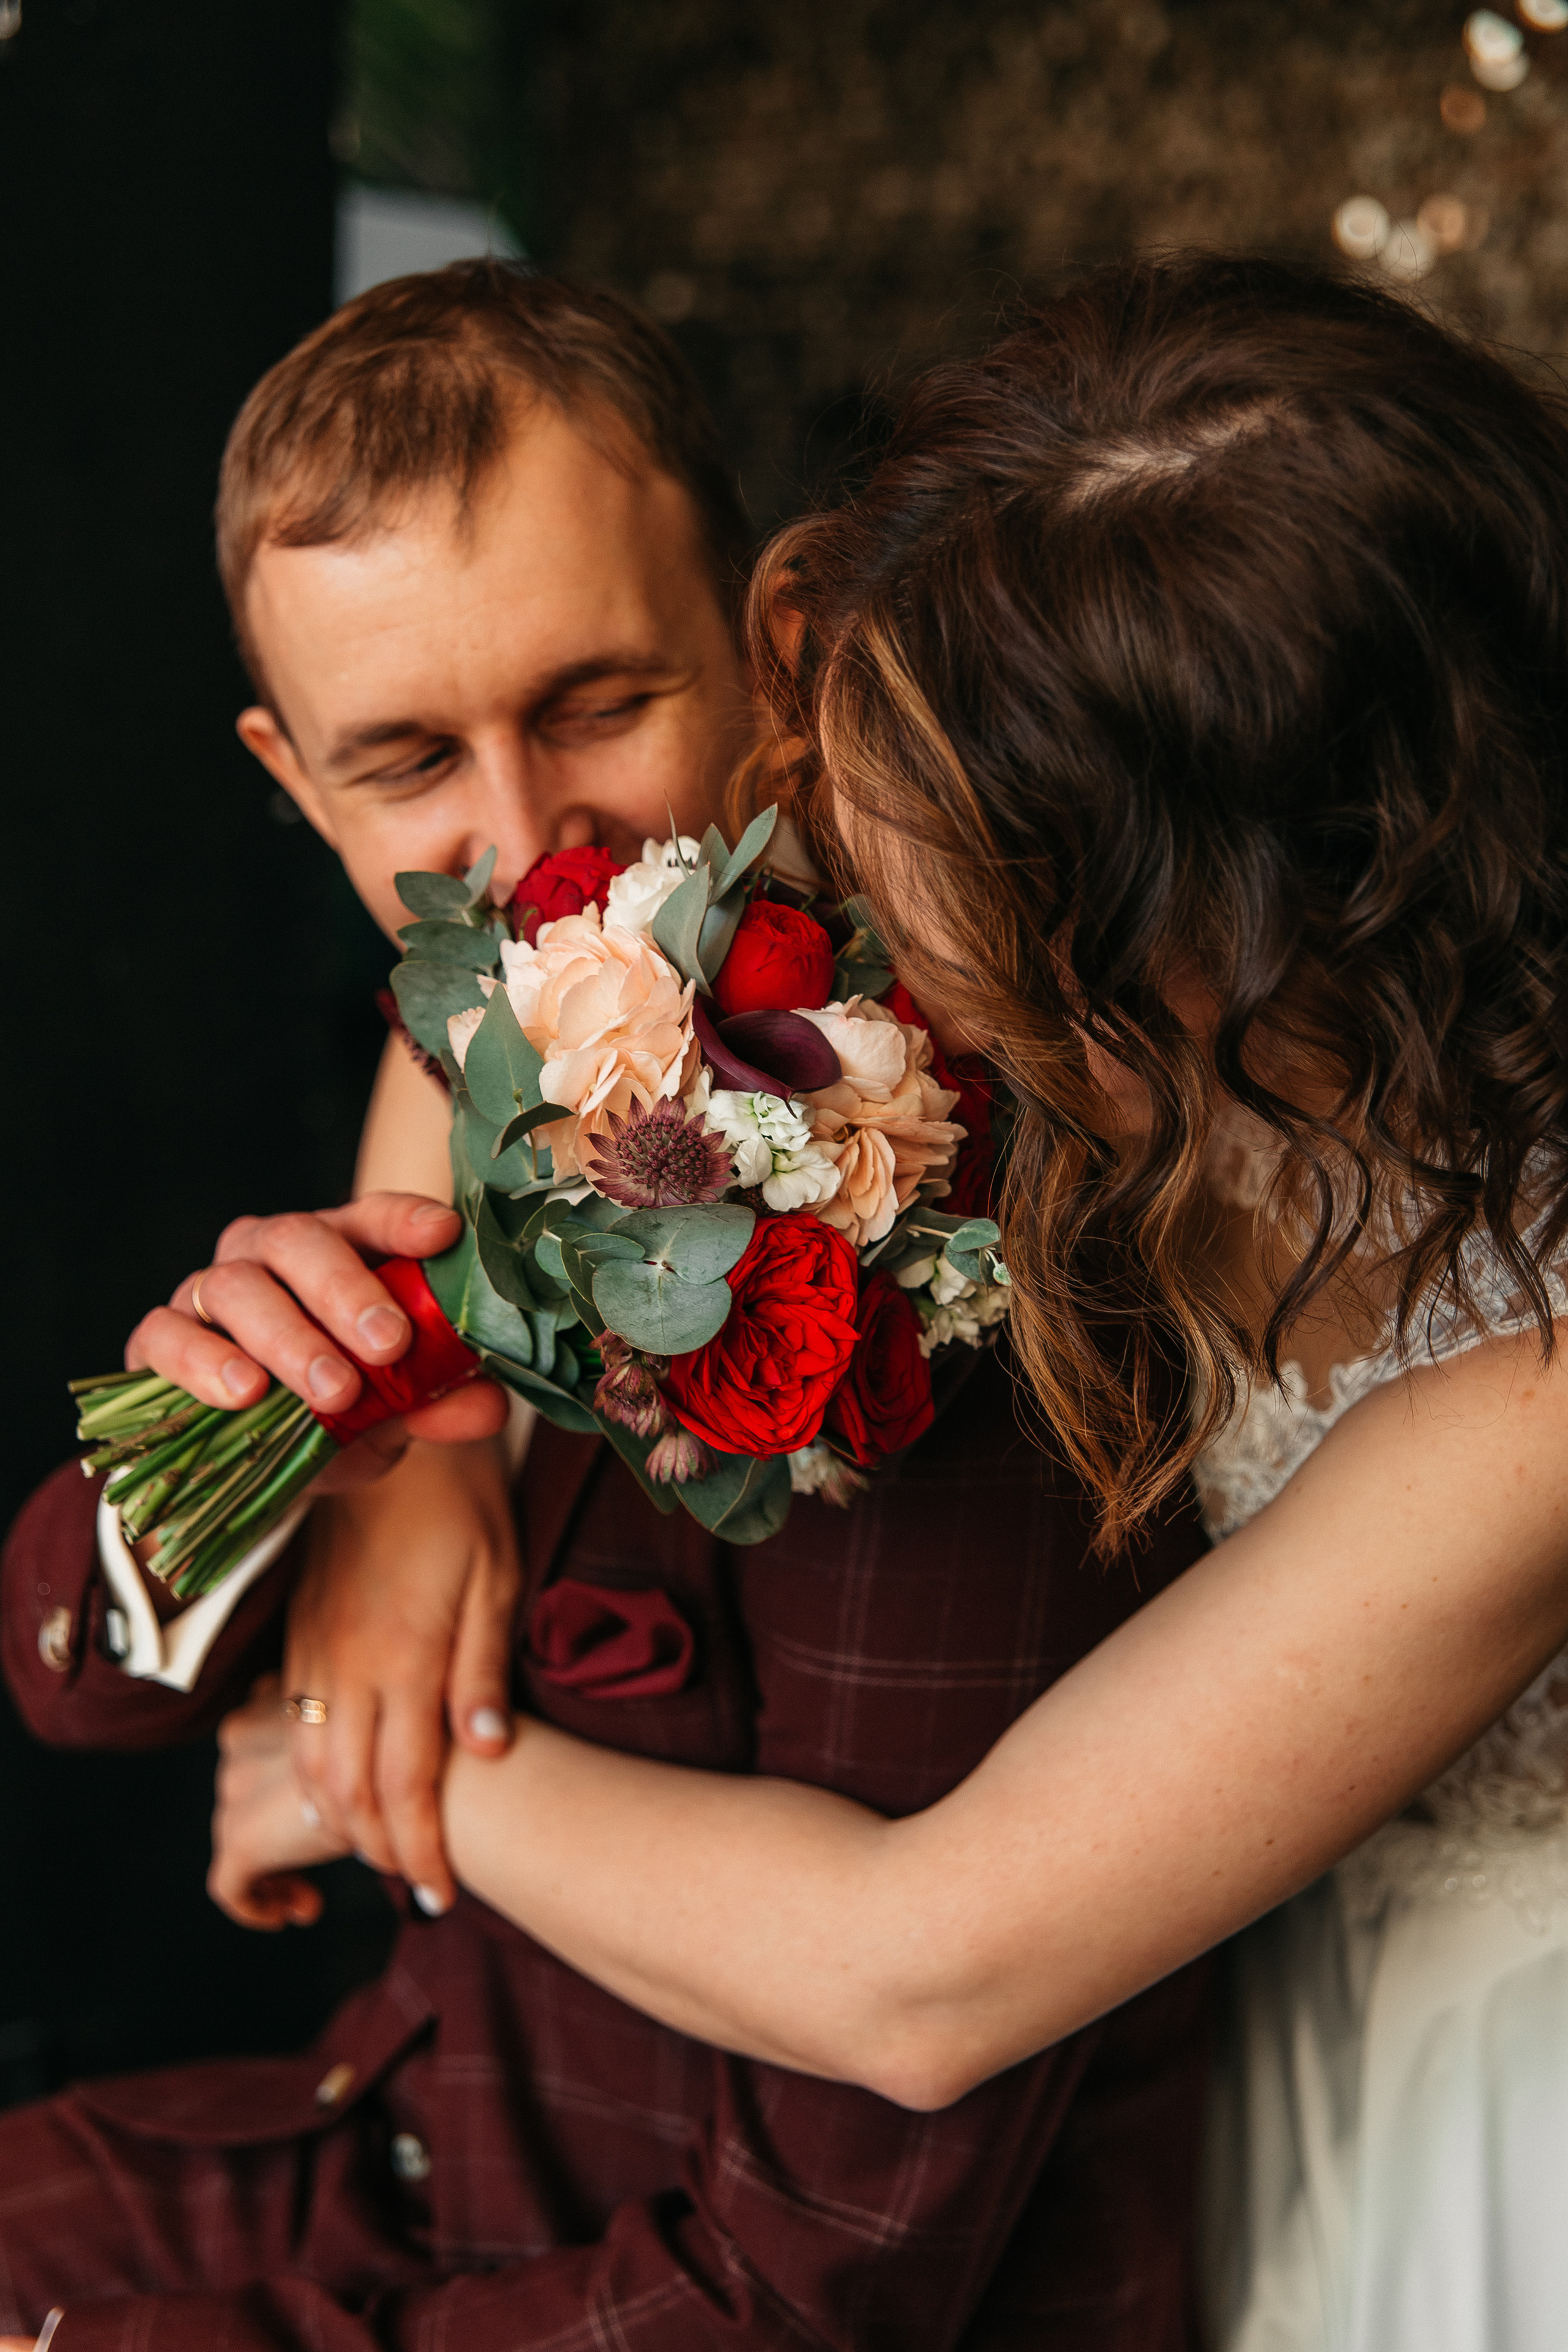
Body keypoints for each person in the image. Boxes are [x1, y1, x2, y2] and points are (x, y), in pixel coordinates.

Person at [54, 252, 1568, 2352]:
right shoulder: (978, 872)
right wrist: (428, 1448)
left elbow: (916, 1982)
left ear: (1183, 911)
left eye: (906, 824)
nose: (835, 873)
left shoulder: (1516, 1395)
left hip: (1434, 2090)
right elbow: (520, 967)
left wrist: (378, 1767)